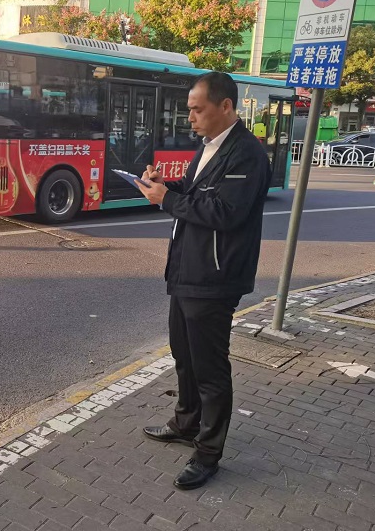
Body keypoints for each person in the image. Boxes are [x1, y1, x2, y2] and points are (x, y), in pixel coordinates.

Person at [134, 72, 271, 491]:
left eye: (197, 109)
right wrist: (165, 186)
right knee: (184, 355)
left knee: (210, 368)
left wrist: (168, 200)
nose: (190, 117)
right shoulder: (210, 145)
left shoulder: (246, 153)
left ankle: (208, 452)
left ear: (225, 106)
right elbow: (198, 191)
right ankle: (186, 421)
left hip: (215, 277)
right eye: (189, 109)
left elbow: (226, 213)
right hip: (187, 270)